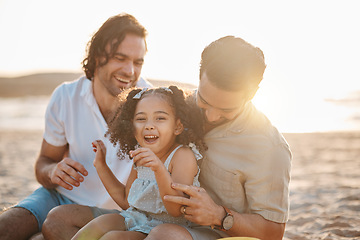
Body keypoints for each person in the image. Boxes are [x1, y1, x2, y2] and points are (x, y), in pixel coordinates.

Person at [0, 13, 152, 240]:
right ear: (97, 56)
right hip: (58, 198)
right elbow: (43, 163)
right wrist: (53, 172)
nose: (130, 71)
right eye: (120, 58)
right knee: (7, 226)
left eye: (137, 62)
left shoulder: (149, 104)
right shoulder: (66, 96)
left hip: (115, 212)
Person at [146, 36, 292, 240]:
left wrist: (219, 215)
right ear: (199, 77)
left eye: (226, 109)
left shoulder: (269, 148)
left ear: (252, 94)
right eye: (204, 101)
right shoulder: (175, 109)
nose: (211, 116)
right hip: (156, 222)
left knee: (165, 236)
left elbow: (273, 233)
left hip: (220, 235)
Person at [72, 86, 207, 239]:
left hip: (167, 227)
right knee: (96, 226)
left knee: (112, 238)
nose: (149, 125)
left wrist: (158, 169)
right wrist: (101, 165)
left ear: (177, 126)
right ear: (131, 126)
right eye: (141, 119)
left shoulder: (182, 156)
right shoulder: (141, 154)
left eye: (160, 118)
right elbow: (126, 201)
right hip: (137, 218)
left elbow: (176, 208)